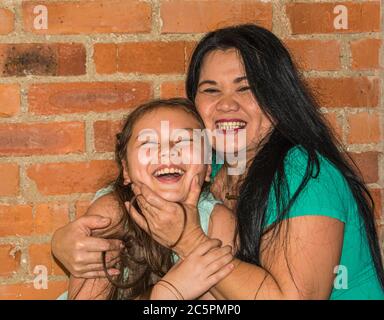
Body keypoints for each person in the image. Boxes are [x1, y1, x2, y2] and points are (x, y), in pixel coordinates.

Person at [52, 24, 384, 299]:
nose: (227, 104)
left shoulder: (303, 170)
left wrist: (187, 240)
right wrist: (68, 243)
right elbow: (134, 185)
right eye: (211, 90)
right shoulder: (202, 159)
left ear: (278, 97)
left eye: (246, 89)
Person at [61, 98, 236, 299]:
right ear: (126, 170)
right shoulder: (111, 212)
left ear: (207, 168)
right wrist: (165, 295)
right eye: (148, 143)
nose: (167, 151)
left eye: (185, 141)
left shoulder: (219, 220)